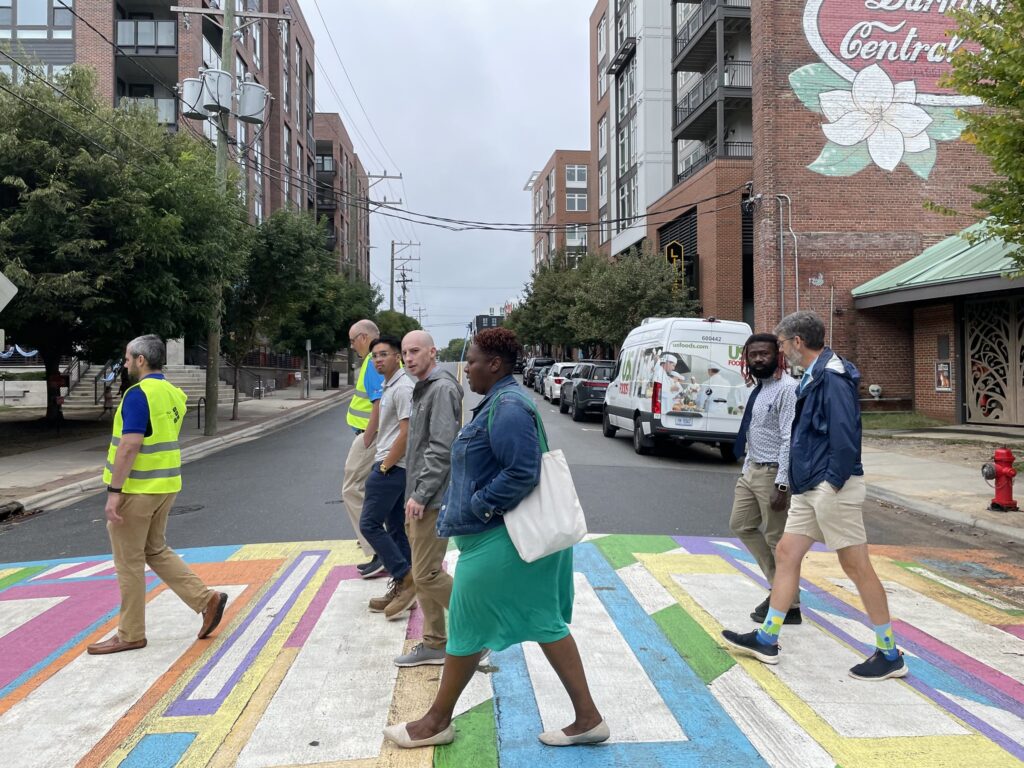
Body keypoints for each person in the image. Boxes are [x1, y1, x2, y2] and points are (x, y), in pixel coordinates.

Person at [383, 328, 607, 749]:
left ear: (495, 364)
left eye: (470, 361)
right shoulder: (501, 403)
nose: (465, 368)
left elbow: (523, 471)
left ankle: (435, 721)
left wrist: (481, 504)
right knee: (543, 622)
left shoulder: (508, 407)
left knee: (467, 627)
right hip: (505, 537)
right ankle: (589, 718)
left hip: (501, 538)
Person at [721, 311, 907, 681]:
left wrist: (831, 485)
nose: (781, 351)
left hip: (829, 486)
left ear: (797, 342)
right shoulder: (812, 374)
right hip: (810, 486)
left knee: (856, 566)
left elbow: (845, 436)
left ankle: (889, 653)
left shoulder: (833, 377)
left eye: (783, 344)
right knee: (786, 553)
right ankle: (767, 638)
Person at [88, 335, 227, 655]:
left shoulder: (138, 395)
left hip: (136, 489)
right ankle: (206, 600)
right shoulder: (173, 393)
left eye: (127, 358)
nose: (124, 363)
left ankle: (130, 633)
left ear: (140, 360)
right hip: (166, 485)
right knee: (154, 549)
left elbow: (130, 445)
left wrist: (114, 492)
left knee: (128, 562)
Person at [392, 330, 463, 667]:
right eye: (405, 352)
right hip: (420, 497)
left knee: (426, 575)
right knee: (426, 572)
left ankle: (481, 621)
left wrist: (421, 493)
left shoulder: (441, 389)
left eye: (415, 351)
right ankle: (435, 643)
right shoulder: (424, 387)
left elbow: (441, 448)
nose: (408, 358)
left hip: (432, 499)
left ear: (433, 353)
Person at [730, 333, 800, 625]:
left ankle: (789, 604)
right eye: (753, 355)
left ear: (778, 355)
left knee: (775, 539)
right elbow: (754, 430)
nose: (758, 359)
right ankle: (782, 590)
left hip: (773, 473)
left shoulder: (787, 389)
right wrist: (747, 465)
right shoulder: (759, 388)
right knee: (740, 524)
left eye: (764, 354)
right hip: (753, 469)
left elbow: (788, 438)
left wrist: (782, 484)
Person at [362, 335, 417, 619]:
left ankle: (405, 577)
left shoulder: (403, 388)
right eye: (374, 356)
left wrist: (385, 466)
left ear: (397, 356)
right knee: (394, 526)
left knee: (369, 524)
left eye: (384, 354)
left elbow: (406, 433)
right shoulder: (389, 386)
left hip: (391, 467)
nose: (378, 360)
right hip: (391, 465)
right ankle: (404, 589)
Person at [342, 320, 386, 578]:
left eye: (352, 340)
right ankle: (382, 543)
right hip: (376, 435)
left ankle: (377, 547)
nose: (351, 345)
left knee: (350, 488)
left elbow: (378, 404)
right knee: (372, 490)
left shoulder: (373, 360)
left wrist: (367, 438)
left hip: (371, 436)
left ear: (364, 337)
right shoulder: (385, 357)